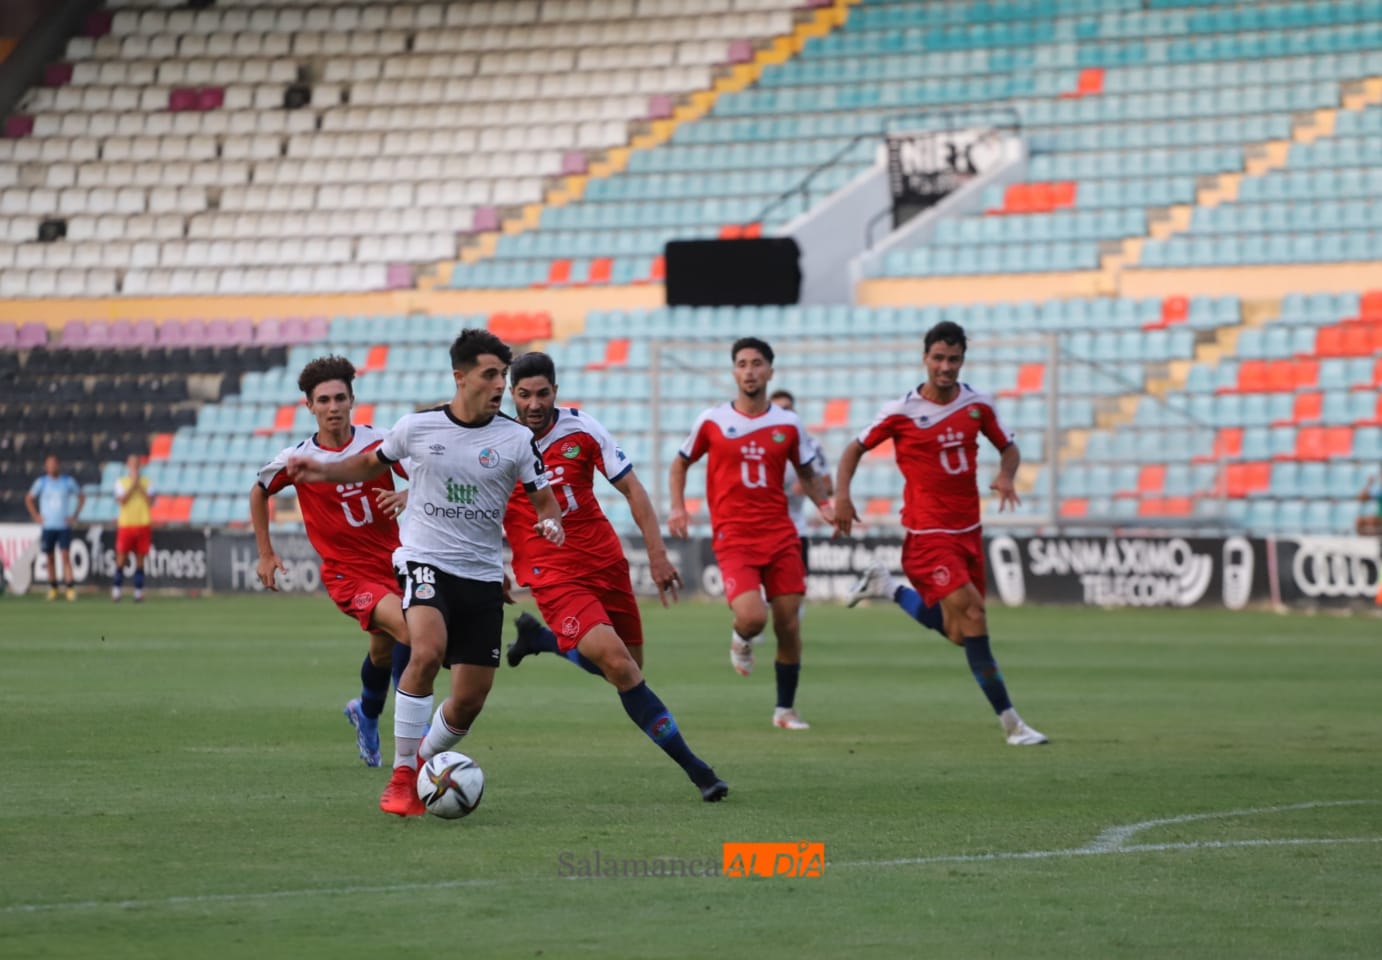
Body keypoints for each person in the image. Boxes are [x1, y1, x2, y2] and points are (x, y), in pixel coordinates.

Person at [285, 329, 566, 817]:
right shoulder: (417, 428)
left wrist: (551, 522)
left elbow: (546, 501)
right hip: (423, 560)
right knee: (427, 648)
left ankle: (421, 761)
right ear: (461, 377)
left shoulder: (517, 439)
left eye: (504, 373)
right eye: (491, 374)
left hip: (480, 573)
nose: (502, 383)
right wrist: (321, 471)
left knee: (470, 699)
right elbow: (368, 464)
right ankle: (399, 777)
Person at [498, 352, 728, 802]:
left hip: (605, 562)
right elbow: (482, 511)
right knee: (620, 667)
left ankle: (542, 640)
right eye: (524, 394)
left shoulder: (582, 429)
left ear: (555, 392)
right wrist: (492, 569)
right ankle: (700, 771)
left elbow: (632, 488)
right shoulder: (499, 445)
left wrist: (658, 556)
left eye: (542, 393)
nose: (534, 403)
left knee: (628, 668)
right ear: (512, 395)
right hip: (552, 573)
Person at [834, 321, 1047, 746]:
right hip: (927, 536)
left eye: (953, 359)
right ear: (925, 358)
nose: (945, 367)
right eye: (938, 358)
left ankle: (887, 587)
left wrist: (1006, 475)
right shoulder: (901, 412)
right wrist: (842, 496)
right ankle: (1012, 724)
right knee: (973, 616)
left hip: (967, 532)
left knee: (958, 632)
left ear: (962, 360)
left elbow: (1009, 446)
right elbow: (854, 449)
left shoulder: (977, 406)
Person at [251, 355, 413, 769]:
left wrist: (407, 496)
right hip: (347, 573)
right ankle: (419, 737)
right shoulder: (298, 457)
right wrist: (265, 552)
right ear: (309, 406)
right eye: (323, 399)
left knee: (382, 652)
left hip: (393, 564)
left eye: (340, 397)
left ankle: (366, 713)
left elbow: (431, 474)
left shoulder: (382, 442)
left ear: (352, 399)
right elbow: (259, 490)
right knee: (412, 630)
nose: (333, 406)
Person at [668, 337, 832, 731]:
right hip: (734, 537)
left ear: (769, 372)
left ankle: (785, 711)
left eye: (757, 363)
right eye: (742, 364)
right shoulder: (712, 420)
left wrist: (825, 504)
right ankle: (741, 638)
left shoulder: (788, 424)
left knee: (789, 624)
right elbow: (680, 464)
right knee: (753, 617)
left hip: (781, 535)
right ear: (734, 372)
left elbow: (808, 472)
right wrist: (677, 507)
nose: (749, 370)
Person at [25, 454, 84, 601]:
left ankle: (70, 587)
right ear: (46, 467)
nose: (51, 467)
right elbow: (29, 498)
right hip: (48, 526)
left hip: (63, 525)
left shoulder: (67, 482)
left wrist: (74, 515)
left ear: (58, 465)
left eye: (53, 464)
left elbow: (81, 496)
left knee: (65, 556)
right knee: (49, 557)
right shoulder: (42, 482)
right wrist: (36, 516)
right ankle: (53, 587)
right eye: (48, 464)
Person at [112, 454, 154, 602]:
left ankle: (138, 592)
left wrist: (139, 486)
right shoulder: (121, 482)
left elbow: (150, 501)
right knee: (121, 558)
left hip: (143, 523)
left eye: (137, 463)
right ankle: (116, 590)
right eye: (132, 463)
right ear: (128, 465)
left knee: (140, 559)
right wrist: (132, 485)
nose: (134, 466)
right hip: (126, 524)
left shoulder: (147, 482)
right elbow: (122, 500)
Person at [1356, 468, 1382, 536]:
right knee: (1359, 521)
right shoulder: (1379, 489)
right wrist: (1369, 484)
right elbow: (1362, 499)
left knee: (1372, 521)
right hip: (1379, 517)